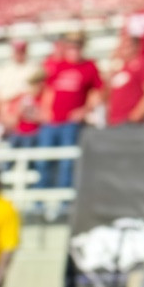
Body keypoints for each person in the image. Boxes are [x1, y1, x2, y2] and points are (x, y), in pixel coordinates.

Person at [35, 29, 102, 191]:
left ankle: (63, 204)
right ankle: (40, 202)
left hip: (71, 124)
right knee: (43, 161)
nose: (74, 50)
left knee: (67, 163)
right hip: (52, 123)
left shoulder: (89, 67)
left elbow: (97, 92)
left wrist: (84, 111)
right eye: (71, 46)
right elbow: (48, 90)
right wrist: (45, 111)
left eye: (77, 46)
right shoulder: (57, 65)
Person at [106, 38, 144, 125]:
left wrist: (137, 115)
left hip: (131, 122)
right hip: (115, 121)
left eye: (127, 46)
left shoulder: (141, 65)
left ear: (136, 47)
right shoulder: (120, 67)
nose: (123, 49)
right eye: (122, 46)